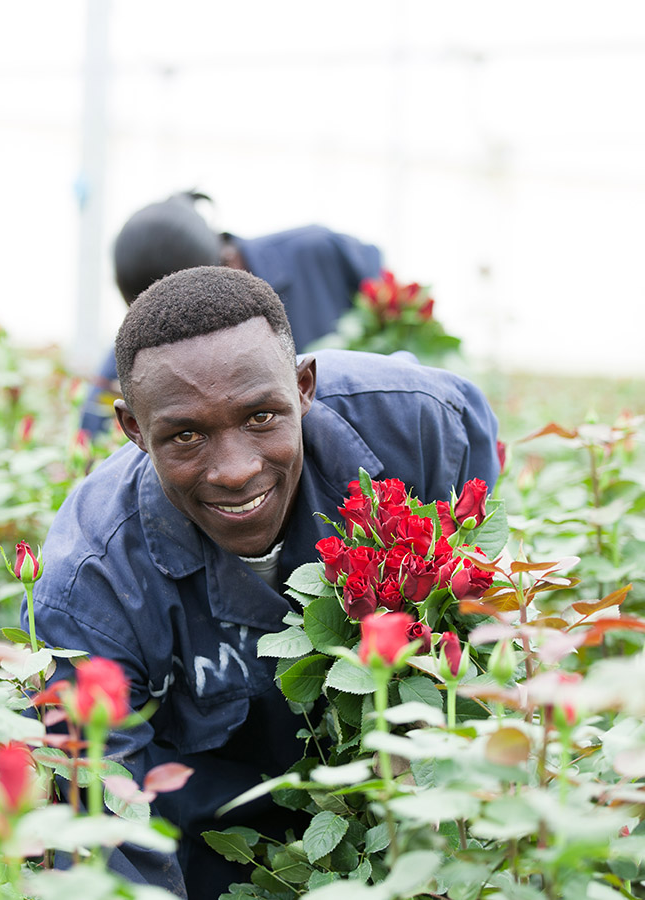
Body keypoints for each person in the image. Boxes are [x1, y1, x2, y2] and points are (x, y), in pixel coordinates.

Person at [29, 266, 499, 899]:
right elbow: (106, 813)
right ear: (134, 429)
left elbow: (477, 555)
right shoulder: (95, 580)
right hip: (214, 841)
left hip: (401, 812)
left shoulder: (415, 425)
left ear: (304, 387)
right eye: (186, 435)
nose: (235, 470)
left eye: (261, 417)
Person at [79, 192, 383, 436]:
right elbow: (92, 433)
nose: (168, 333)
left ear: (225, 264)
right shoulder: (140, 357)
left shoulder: (320, 253)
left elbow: (399, 321)